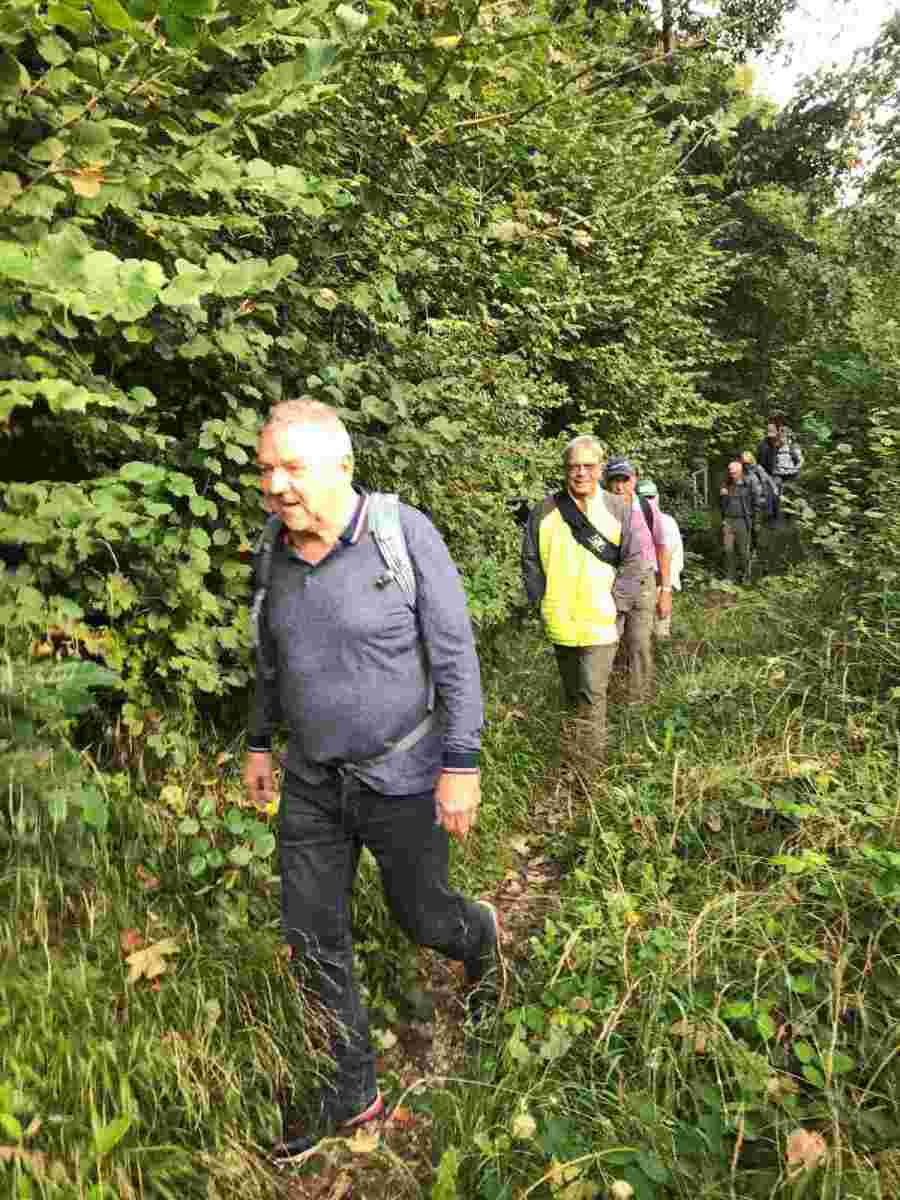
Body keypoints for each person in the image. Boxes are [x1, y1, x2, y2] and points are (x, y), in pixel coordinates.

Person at [245, 399, 497, 1163]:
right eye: (266, 469)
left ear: (343, 467)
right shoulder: (272, 551)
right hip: (312, 782)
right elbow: (269, 658)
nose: (276, 486)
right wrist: (259, 743)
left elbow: (454, 655)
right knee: (310, 936)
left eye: (293, 468)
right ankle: (350, 1095)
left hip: (404, 774)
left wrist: (461, 763)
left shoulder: (401, 534)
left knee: (423, 917)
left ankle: (478, 936)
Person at [521, 435, 641, 763]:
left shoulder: (619, 508)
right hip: (559, 620)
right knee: (572, 694)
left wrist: (618, 604)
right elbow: (530, 560)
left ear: (601, 469)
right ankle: (571, 758)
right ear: (565, 469)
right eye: (574, 466)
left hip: (600, 620)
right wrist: (540, 601)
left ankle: (589, 770)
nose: (581, 473)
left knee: (592, 694)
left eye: (588, 466)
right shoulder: (544, 510)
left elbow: (635, 560)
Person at [604, 456, 672, 702]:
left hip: (644, 583)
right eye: (614, 480)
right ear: (606, 482)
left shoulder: (646, 508)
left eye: (625, 479)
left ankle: (638, 700)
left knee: (640, 643)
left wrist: (665, 590)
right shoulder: (599, 509)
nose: (619, 486)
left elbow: (662, 547)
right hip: (609, 585)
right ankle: (609, 696)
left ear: (634, 480)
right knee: (608, 643)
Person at [635, 478, 682, 640]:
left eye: (651, 497)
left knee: (660, 636)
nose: (649, 502)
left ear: (658, 497)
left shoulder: (667, 523)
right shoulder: (632, 522)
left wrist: (665, 592)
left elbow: (669, 559)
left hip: (660, 585)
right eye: (643, 498)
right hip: (639, 587)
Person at [719, 459, 765, 582]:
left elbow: (757, 503)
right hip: (728, 521)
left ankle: (746, 576)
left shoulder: (749, 483)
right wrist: (723, 497)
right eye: (730, 472)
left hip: (743, 521)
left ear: (740, 472)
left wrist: (757, 521)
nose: (731, 474)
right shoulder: (726, 484)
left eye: (733, 472)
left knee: (743, 551)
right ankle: (729, 577)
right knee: (728, 550)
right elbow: (721, 505)